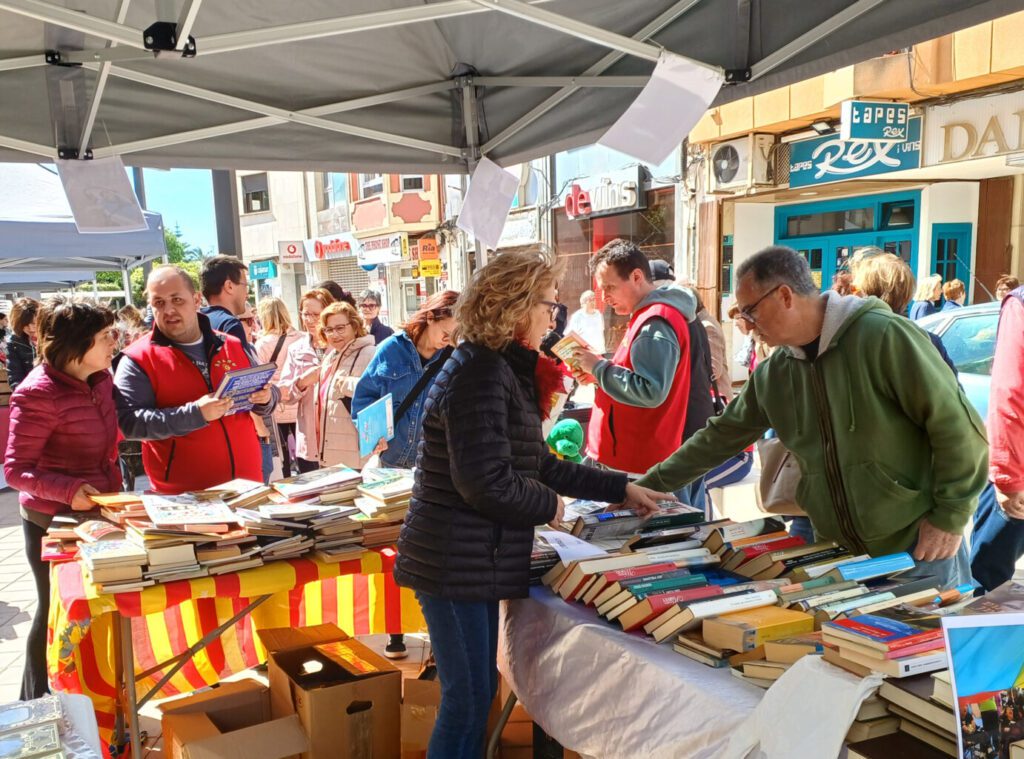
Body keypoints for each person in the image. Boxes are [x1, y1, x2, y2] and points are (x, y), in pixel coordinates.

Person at [393, 247, 674, 759]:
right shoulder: (480, 372)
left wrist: (620, 488)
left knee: (474, 693)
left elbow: (537, 463)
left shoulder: (498, 366)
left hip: (467, 557)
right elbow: (486, 482)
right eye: (548, 304)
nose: (553, 317)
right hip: (453, 560)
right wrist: (550, 506)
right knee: (467, 699)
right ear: (516, 306)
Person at [634, 245, 990, 589]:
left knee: (927, 633)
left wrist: (950, 516)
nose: (747, 325)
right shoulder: (775, 372)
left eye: (750, 312)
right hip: (837, 556)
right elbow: (719, 437)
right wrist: (649, 485)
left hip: (918, 550)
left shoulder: (884, 336)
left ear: (784, 296)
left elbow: (959, 429)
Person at [4, 297, 121, 700]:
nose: (114, 342)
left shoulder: (101, 380)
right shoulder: (37, 392)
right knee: (56, 609)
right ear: (77, 344)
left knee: (92, 610)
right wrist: (69, 491)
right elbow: (15, 470)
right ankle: (34, 703)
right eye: (105, 336)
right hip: (51, 521)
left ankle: (90, 700)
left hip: (98, 513)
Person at [113, 266, 274, 493]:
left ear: (197, 299)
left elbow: (267, 394)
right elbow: (130, 423)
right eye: (159, 303)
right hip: (185, 497)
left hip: (247, 487)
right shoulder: (137, 358)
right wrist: (195, 414)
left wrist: (266, 398)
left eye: (177, 300)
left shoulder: (233, 344)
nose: (169, 310)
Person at [570, 239, 696, 482]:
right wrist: (597, 374)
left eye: (610, 287)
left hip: (636, 464)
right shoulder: (648, 316)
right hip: (632, 459)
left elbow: (650, 390)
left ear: (637, 276)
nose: (604, 297)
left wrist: (598, 368)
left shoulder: (654, 321)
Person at [353, 290, 458, 469]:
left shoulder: (453, 359)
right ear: (430, 317)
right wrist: (372, 435)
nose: (448, 340)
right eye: (445, 333)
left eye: (455, 336)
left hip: (430, 465)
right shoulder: (391, 348)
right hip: (389, 461)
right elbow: (364, 397)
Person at [973, 278, 1024, 592]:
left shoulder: (1020, 305)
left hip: (1019, 465)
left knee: (987, 583)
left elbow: (1010, 392)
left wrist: (1007, 479)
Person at [312, 302, 375, 468]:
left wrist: (347, 384)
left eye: (340, 328)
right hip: (330, 452)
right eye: (329, 329)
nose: (334, 334)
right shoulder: (330, 357)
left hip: (356, 456)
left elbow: (379, 391)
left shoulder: (370, 353)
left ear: (354, 326)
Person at [279, 288, 334, 473]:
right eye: (305, 314)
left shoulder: (343, 346)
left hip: (339, 436)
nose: (310, 320)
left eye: (315, 315)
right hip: (309, 438)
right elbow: (284, 394)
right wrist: (302, 382)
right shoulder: (296, 348)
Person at [255, 297, 304, 478]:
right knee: (303, 453)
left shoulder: (262, 344)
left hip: (277, 406)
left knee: (282, 456)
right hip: (299, 402)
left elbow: (260, 377)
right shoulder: (302, 338)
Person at [200, 255, 250, 345]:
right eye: (245, 286)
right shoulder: (230, 325)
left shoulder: (197, 322)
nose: (247, 294)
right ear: (229, 286)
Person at [7, 298, 39, 390]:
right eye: (25, 325)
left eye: (34, 323)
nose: (31, 329)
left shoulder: (53, 338)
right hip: (29, 392)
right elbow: (15, 376)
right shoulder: (14, 343)